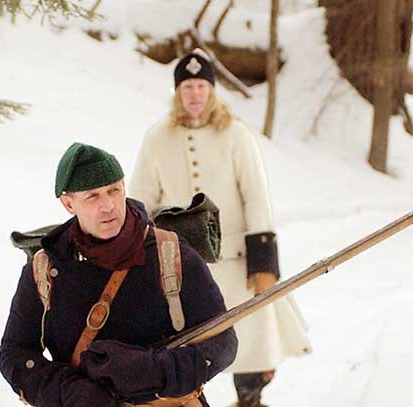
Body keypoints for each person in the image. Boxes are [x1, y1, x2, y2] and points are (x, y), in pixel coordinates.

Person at [130, 50, 311, 407]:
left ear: (212, 91)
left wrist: (263, 264)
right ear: (177, 93)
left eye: (201, 86)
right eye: (187, 87)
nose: (194, 94)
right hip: (181, 264)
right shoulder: (157, 139)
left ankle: (249, 401)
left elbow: (256, 197)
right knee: (190, 345)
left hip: (236, 262)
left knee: (251, 344)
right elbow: (141, 202)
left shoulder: (236, 135)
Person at [0, 142, 237, 407]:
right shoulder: (45, 269)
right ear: (68, 204)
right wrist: (71, 392)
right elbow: (15, 352)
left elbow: (223, 343)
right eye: (93, 196)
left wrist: (152, 370)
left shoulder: (170, 254)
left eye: (114, 190)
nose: (108, 205)